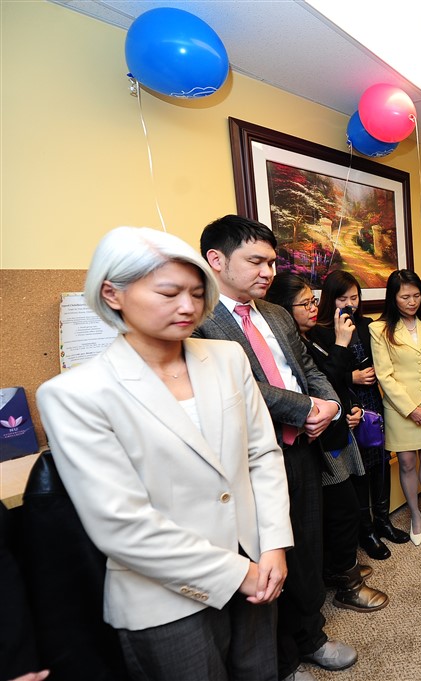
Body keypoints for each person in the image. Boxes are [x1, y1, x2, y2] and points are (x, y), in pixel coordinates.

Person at [36, 227, 293, 681]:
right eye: (169, 292)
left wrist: (272, 544)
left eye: (197, 293)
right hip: (164, 597)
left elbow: (262, 455)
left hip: (256, 564)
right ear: (112, 293)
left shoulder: (228, 358)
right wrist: (236, 574)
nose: (189, 307)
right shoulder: (75, 394)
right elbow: (121, 523)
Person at [193, 215, 355, 680]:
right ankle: (280, 661)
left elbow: (306, 365)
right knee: (267, 561)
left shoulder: (277, 314)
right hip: (249, 459)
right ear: (216, 260)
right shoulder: (199, 322)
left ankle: (312, 638)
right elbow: (244, 389)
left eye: (271, 261)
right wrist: (305, 407)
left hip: (303, 448)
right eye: (256, 261)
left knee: (305, 551)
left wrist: (328, 404)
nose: (267, 271)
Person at [265, 273, 387, 613]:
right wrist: (343, 344)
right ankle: (348, 583)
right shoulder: (294, 344)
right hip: (314, 440)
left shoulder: (311, 336)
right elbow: (327, 377)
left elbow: (332, 381)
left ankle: (339, 568)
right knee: (342, 509)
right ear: (281, 310)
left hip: (336, 430)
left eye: (312, 300)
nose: (312, 307)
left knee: (344, 505)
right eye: (305, 303)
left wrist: (348, 407)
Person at [315, 269, 411, 558]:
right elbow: (321, 376)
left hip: (373, 403)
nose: (349, 304)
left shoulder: (367, 325)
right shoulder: (319, 331)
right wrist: (352, 377)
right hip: (347, 406)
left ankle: (383, 521)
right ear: (330, 299)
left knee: (380, 462)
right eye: (342, 298)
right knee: (358, 470)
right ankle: (365, 530)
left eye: (354, 297)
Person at [369, 270, 421, 545]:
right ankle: (415, 514)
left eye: (416, 296)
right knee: (406, 462)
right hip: (400, 409)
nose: (412, 302)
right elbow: (384, 374)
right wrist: (411, 408)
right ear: (393, 298)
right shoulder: (379, 330)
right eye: (405, 297)